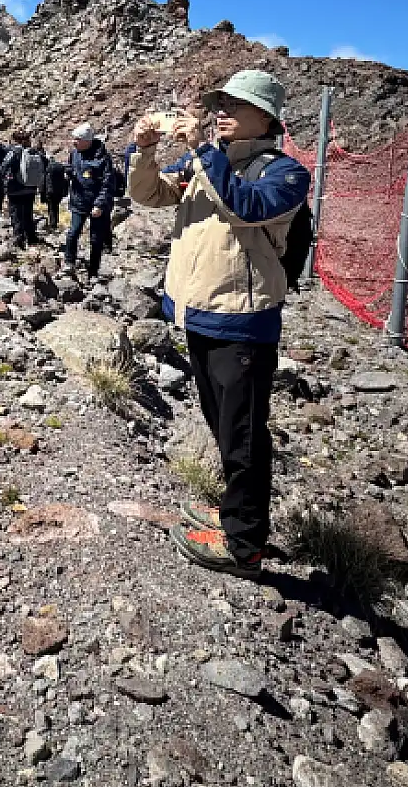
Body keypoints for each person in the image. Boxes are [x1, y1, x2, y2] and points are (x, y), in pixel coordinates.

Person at [128, 71, 311, 582]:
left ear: (268, 117)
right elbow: (148, 194)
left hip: (242, 324)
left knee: (244, 436)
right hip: (201, 315)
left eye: (238, 103)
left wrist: (202, 151)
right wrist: (143, 150)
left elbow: (245, 208)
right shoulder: (207, 164)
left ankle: (245, 545)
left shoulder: (284, 173)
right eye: (220, 102)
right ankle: (234, 518)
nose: (224, 109)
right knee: (223, 425)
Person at [62, 122, 120, 277]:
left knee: (96, 239)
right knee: (73, 232)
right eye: (73, 139)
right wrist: (68, 173)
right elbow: (71, 168)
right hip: (79, 201)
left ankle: (93, 272)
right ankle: (69, 262)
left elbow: (108, 184)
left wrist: (100, 204)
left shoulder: (102, 158)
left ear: (87, 141)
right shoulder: (74, 154)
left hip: (97, 205)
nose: (74, 142)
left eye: (77, 139)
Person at [0, 128, 46, 248]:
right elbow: (45, 163)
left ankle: (19, 241)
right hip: (31, 187)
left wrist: (2, 177)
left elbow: (4, 166)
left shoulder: (14, 152)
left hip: (16, 188)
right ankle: (31, 238)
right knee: (28, 213)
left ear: (15, 140)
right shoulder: (33, 151)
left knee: (16, 214)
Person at [39, 141, 68, 231]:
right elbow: (65, 180)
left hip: (50, 191)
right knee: (56, 207)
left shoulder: (47, 170)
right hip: (58, 191)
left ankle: (53, 224)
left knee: (51, 208)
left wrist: (41, 192)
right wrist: (65, 192)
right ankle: (55, 222)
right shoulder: (60, 168)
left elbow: (43, 182)